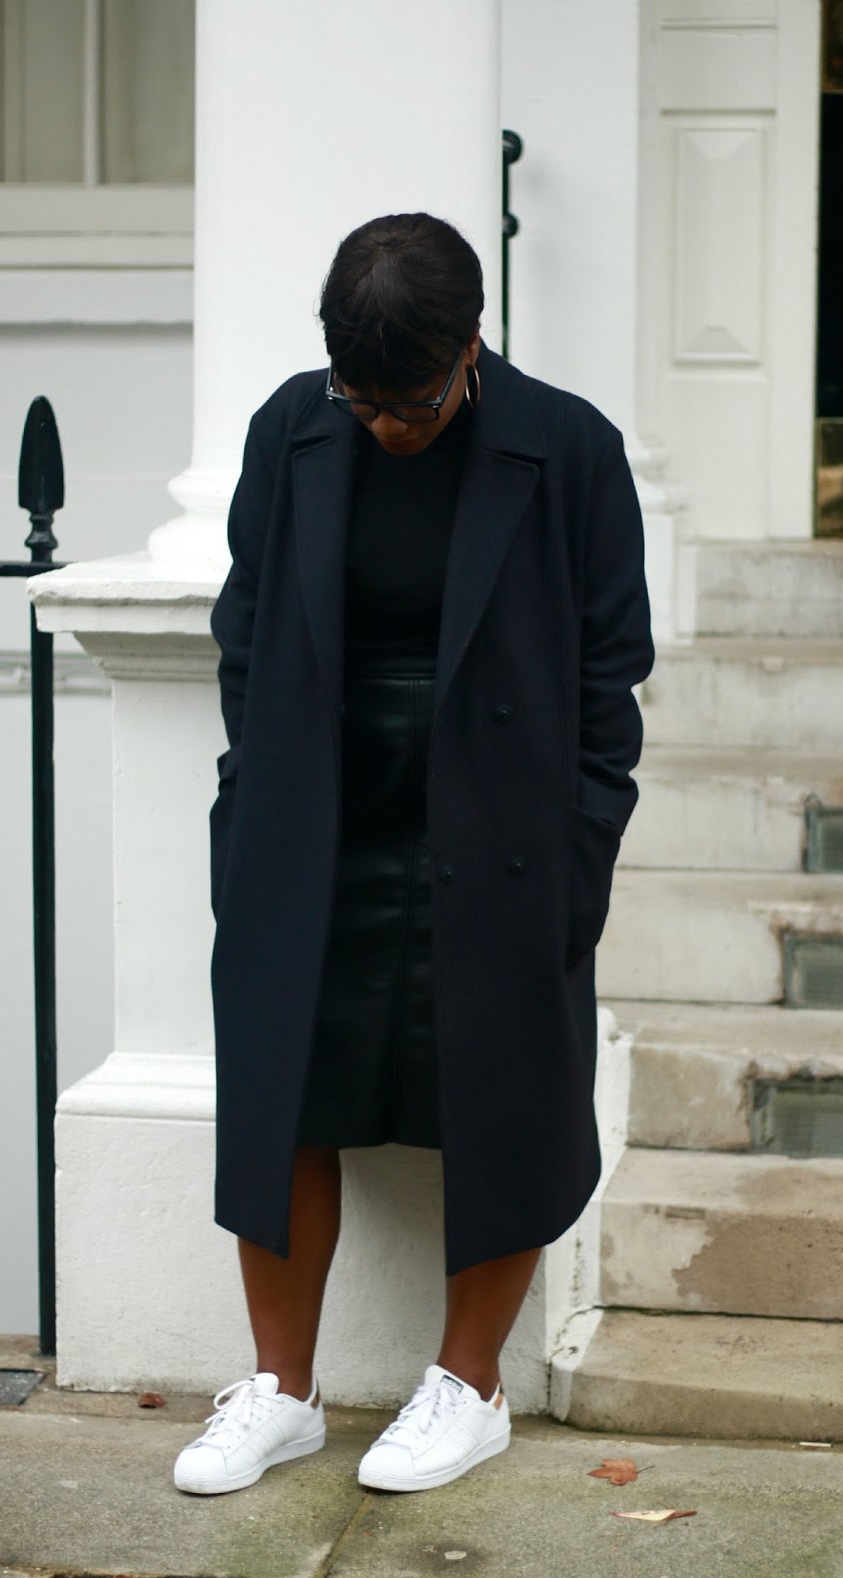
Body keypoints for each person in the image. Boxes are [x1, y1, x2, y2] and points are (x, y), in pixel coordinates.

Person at [173, 212, 653, 1497]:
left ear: (471, 345)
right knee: (285, 1085)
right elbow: (247, 626)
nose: (388, 426)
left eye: (414, 401)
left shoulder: (569, 447)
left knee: (502, 1090)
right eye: (364, 400)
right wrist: (248, 790)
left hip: (499, 824)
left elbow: (610, 670)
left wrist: (581, 841)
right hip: (314, 812)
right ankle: (281, 1391)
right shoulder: (292, 429)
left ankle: (469, 1384)